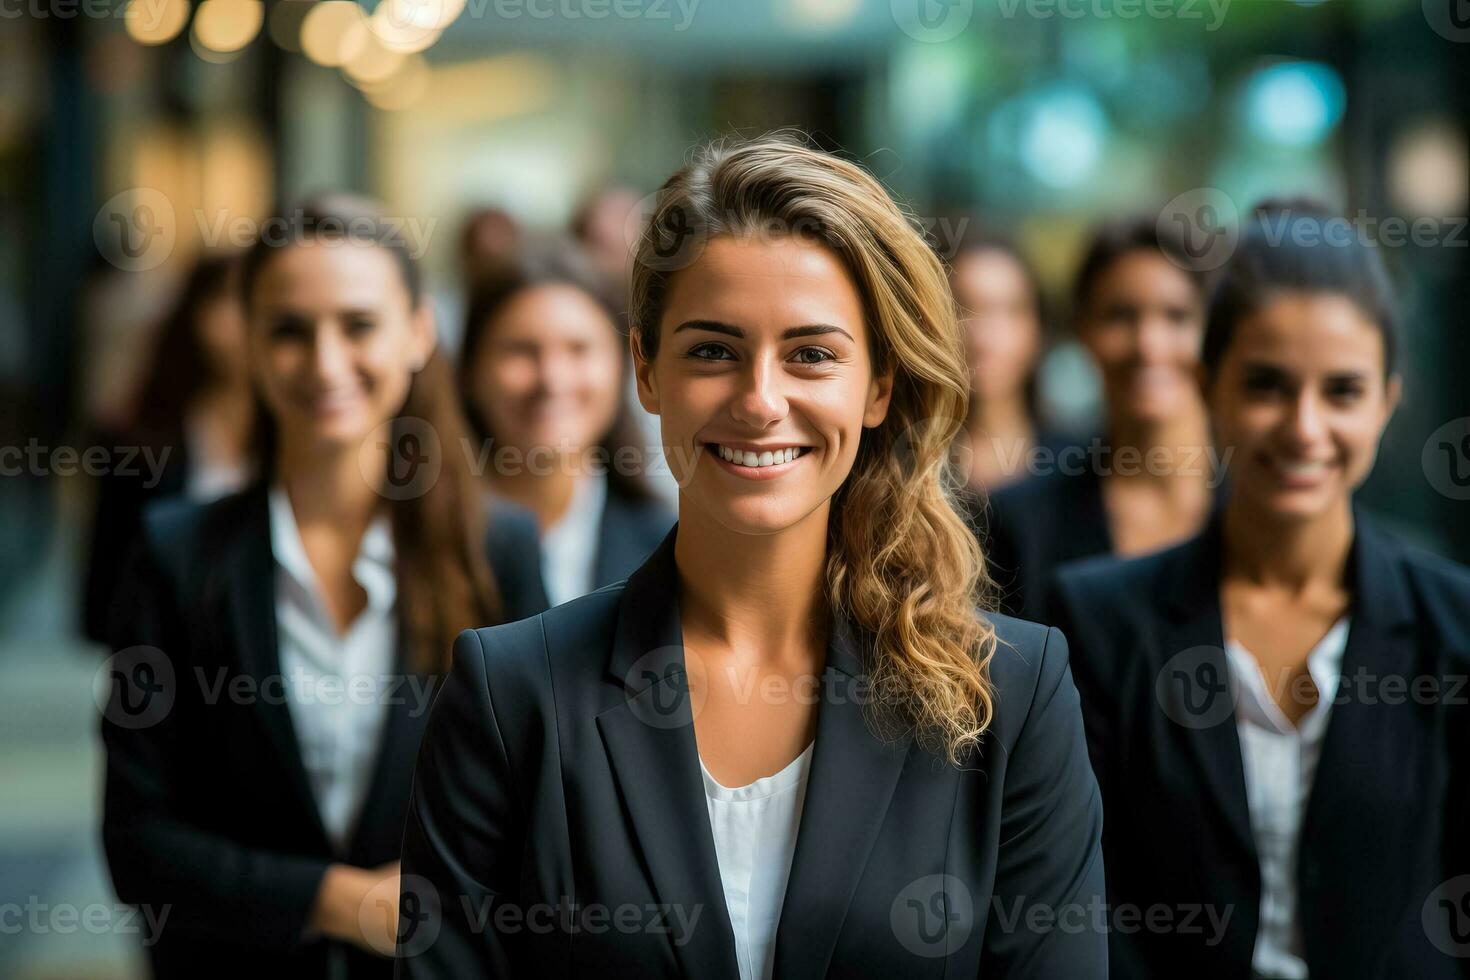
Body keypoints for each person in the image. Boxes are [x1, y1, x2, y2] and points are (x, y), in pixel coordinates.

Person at [396, 135, 1106, 979]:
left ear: (878, 385)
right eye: (712, 351)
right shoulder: (511, 692)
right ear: (647, 370)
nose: (761, 400)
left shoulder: (1013, 692)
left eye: (811, 354)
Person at [99, 198, 548, 979]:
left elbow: (540, 817)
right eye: (289, 330)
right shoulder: (175, 555)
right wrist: (336, 900)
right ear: (246, 341)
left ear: (419, 332)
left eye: (359, 325)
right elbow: (137, 842)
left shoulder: (497, 551)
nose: (326, 361)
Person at [1050, 202, 1470, 978]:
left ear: (1388, 400)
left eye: (1342, 391)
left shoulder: (1454, 625)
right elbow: (1083, 911)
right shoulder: (1100, 622)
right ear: (1208, 388)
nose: (1305, 428)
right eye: (1268, 386)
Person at [984, 217, 1215, 621]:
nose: (1149, 345)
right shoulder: (1021, 523)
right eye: (1120, 316)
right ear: (1082, 330)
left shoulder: (1262, 507)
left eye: (1177, 316)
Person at [457, 243, 674, 607]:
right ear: (471, 370)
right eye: (521, 350)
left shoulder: (667, 547)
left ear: (626, 367)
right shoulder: (418, 544)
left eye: (578, 349)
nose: (552, 380)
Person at [81, 254, 258, 644]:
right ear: (196, 312)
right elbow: (107, 575)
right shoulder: (144, 439)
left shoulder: (304, 437)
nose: (246, 319)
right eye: (231, 299)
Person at [946, 227, 1062, 491]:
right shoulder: (899, 465)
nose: (984, 337)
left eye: (1008, 311)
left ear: (1038, 327)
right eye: (962, 308)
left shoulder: (1081, 465)